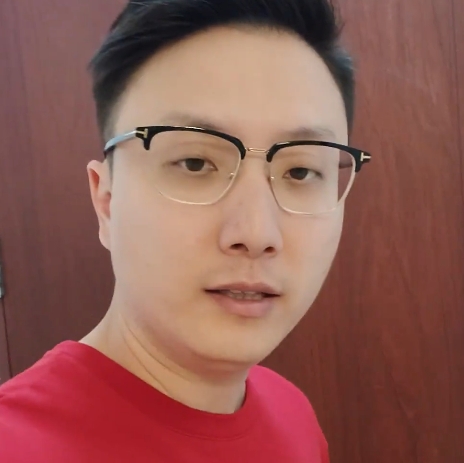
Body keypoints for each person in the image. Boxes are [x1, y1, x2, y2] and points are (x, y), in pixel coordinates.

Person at [0, 0, 372, 461]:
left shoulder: (292, 414)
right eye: (195, 163)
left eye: (300, 172)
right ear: (106, 200)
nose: (257, 232)